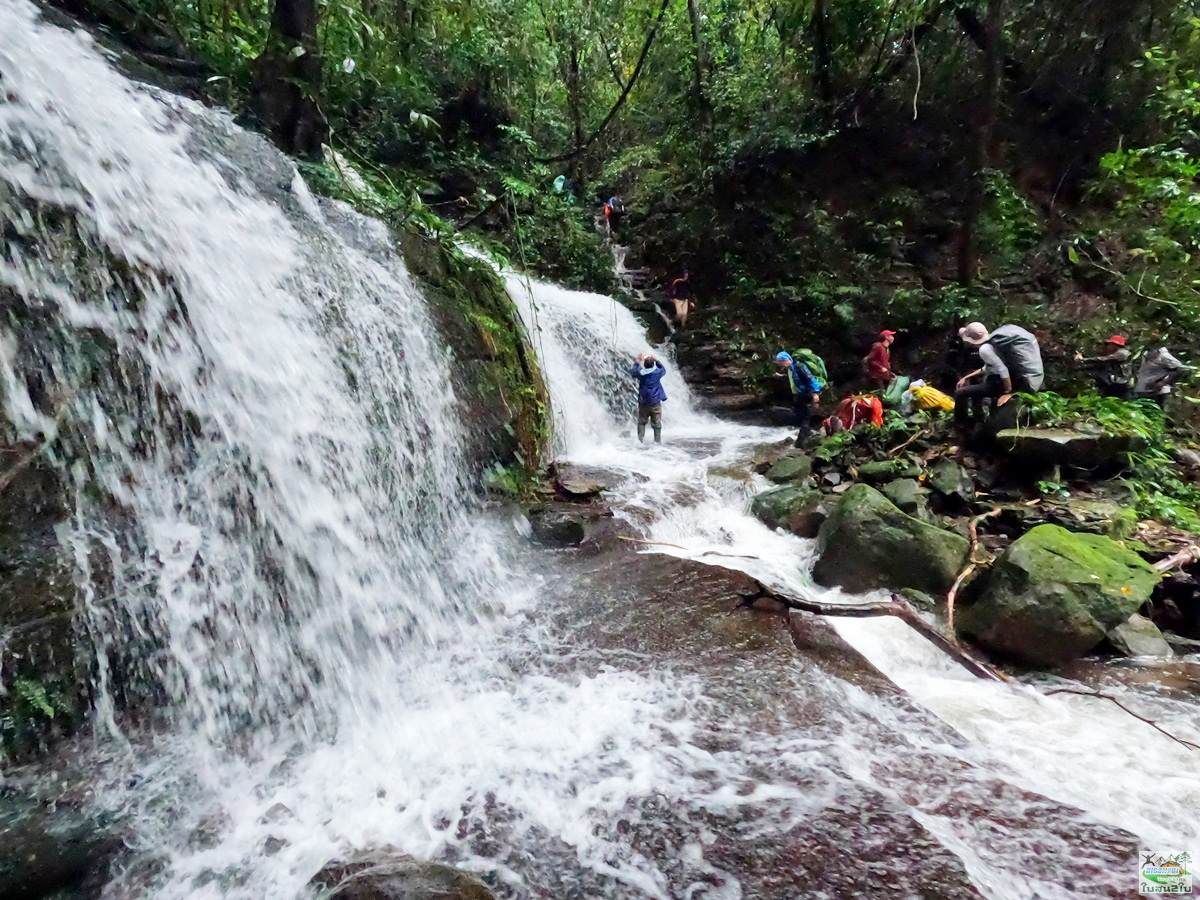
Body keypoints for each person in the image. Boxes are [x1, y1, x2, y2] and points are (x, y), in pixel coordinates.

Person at [954, 322, 1044, 430]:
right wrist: (967, 377)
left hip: (1005, 383)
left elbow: (1003, 370)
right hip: (1024, 379)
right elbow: (988, 367)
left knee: (960, 393)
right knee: (975, 390)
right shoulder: (997, 344)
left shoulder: (985, 349)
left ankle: (960, 425)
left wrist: (1009, 392)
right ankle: (978, 419)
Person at [775, 351, 821, 447]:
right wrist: (780, 377)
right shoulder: (790, 370)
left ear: (787, 360)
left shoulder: (800, 367)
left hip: (806, 395)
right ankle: (802, 440)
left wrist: (815, 393)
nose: (781, 366)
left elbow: (810, 379)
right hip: (799, 396)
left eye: (781, 363)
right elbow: (792, 379)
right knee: (799, 417)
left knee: (806, 418)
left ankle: (803, 443)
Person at [629, 353, 667, 443]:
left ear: (644, 365)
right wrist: (656, 360)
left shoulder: (640, 374)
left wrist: (638, 361)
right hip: (655, 402)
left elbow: (633, 372)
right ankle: (657, 441)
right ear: (653, 365)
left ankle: (640, 440)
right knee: (657, 423)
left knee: (642, 422)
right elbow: (663, 370)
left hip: (644, 403)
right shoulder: (657, 373)